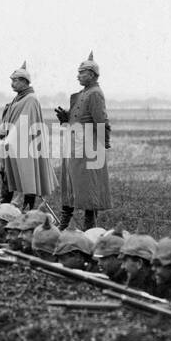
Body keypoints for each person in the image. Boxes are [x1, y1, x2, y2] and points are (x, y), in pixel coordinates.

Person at [56, 50, 112, 231]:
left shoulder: (95, 93)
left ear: (93, 75)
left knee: (89, 187)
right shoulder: (83, 93)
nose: (78, 75)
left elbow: (101, 121)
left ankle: (90, 228)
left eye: (82, 72)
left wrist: (103, 145)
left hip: (88, 148)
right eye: (79, 72)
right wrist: (67, 118)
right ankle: (64, 223)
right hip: (75, 146)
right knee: (71, 183)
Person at [0, 62, 56, 208]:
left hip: (25, 145)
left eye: (15, 80)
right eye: (11, 80)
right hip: (11, 144)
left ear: (24, 81)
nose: (12, 84)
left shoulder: (30, 99)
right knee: (7, 177)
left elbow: (23, 124)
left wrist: (8, 140)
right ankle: (4, 207)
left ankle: (27, 208)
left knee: (28, 175)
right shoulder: (18, 98)